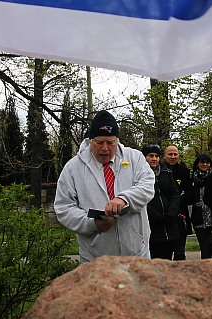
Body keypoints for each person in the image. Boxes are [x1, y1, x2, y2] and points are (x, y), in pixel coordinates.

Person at [54, 111, 155, 262]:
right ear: (91, 140)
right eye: (99, 142)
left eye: (110, 143)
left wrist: (123, 199)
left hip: (138, 254)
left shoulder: (135, 158)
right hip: (94, 259)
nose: (105, 148)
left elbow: (147, 187)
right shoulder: (73, 168)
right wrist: (92, 223)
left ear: (117, 140)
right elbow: (64, 208)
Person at [142, 144, 181, 260]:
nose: (154, 159)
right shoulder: (139, 175)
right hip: (152, 224)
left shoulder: (166, 173)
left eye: (156, 156)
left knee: (167, 260)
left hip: (169, 224)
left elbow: (175, 194)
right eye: (151, 156)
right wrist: (156, 216)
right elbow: (141, 198)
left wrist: (171, 213)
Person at [161, 145, 191, 260]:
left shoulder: (185, 172)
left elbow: (189, 194)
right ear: (164, 156)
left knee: (179, 252)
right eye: (170, 154)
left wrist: (174, 207)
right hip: (163, 216)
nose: (173, 157)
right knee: (164, 253)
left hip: (180, 216)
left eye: (175, 154)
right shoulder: (158, 171)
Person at [189, 153, 212, 259]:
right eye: (202, 162)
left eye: (207, 162)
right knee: (204, 249)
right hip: (198, 217)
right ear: (197, 164)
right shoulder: (192, 178)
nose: (205, 164)